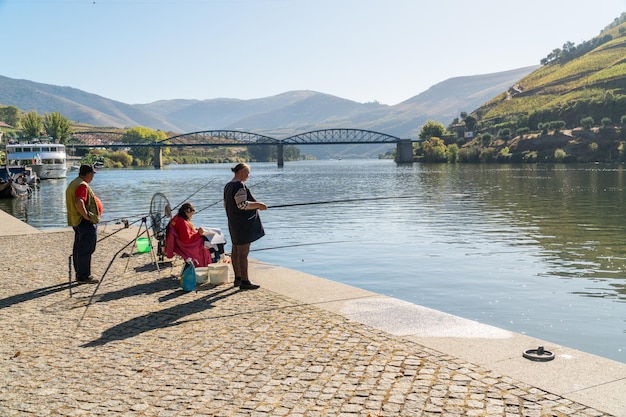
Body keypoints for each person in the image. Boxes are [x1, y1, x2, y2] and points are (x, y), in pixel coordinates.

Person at [224, 163, 267, 290]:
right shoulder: (239, 185)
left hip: (233, 222)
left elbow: (226, 205)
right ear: (242, 171)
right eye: (247, 172)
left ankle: (237, 278)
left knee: (235, 251)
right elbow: (242, 205)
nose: (248, 175)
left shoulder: (228, 185)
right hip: (242, 224)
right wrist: (259, 205)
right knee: (243, 253)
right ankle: (245, 281)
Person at [66, 164, 102, 284]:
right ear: (87, 174)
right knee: (86, 248)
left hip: (76, 221)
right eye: (92, 174)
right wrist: (87, 216)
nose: (92, 177)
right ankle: (84, 276)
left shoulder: (74, 183)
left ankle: (80, 274)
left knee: (79, 248)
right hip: (83, 221)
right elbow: (79, 201)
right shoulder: (82, 185)